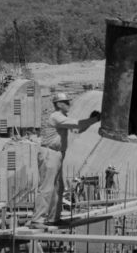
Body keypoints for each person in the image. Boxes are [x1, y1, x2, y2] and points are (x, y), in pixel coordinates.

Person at [31, 92, 101, 227]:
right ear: (58, 104)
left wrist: (91, 120)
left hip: (57, 155)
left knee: (58, 188)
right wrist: (94, 119)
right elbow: (77, 124)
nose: (69, 104)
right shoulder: (56, 117)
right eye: (66, 102)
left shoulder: (62, 117)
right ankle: (37, 219)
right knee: (46, 187)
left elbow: (77, 130)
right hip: (49, 153)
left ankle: (53, 218)